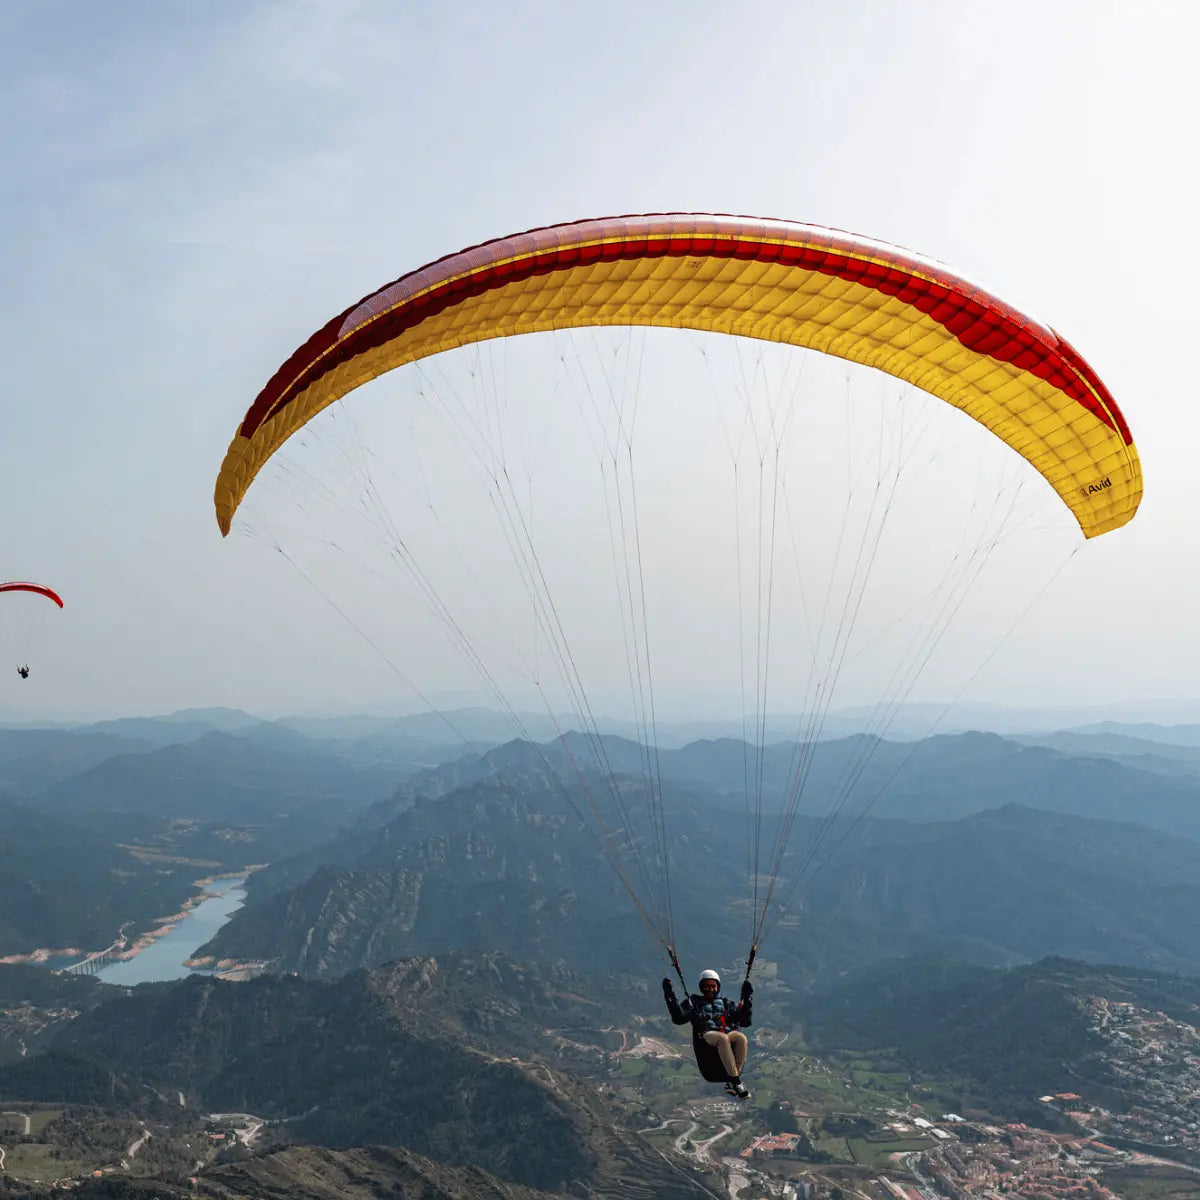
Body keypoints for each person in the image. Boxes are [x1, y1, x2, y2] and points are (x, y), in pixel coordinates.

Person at [663, 968, 753, 1098]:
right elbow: (679, 1019)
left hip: (726, 1034)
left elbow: (745, 1021)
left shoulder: (726, 1004)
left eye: (713, 986)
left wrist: (747, 1000)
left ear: (718, 987)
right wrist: (670, 996)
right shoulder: (694, 1003)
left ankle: (732, 1079)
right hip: (706, 1035)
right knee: (722, 1038)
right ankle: (736, 1082)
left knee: (740, 1037)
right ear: (701, 988)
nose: (710, 989)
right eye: (707, 986)